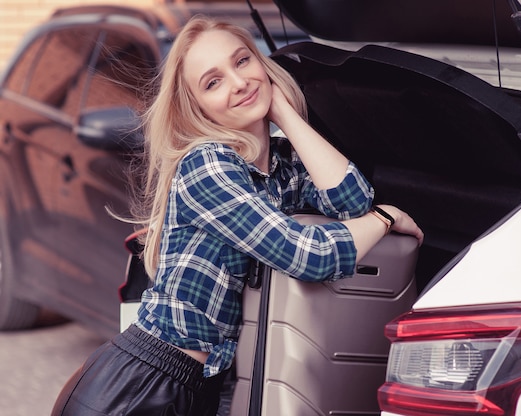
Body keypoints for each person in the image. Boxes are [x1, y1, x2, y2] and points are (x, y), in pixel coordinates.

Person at [52, 16, 423, 416]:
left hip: (198, 385)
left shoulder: (280, 170)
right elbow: (308, 256)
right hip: (141, 385)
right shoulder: (207, 165)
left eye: (243, 62)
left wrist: (287, 116)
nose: (239, 82)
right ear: (198, 109)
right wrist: (385, 218)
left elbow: (351, 203)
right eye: (213, 82)